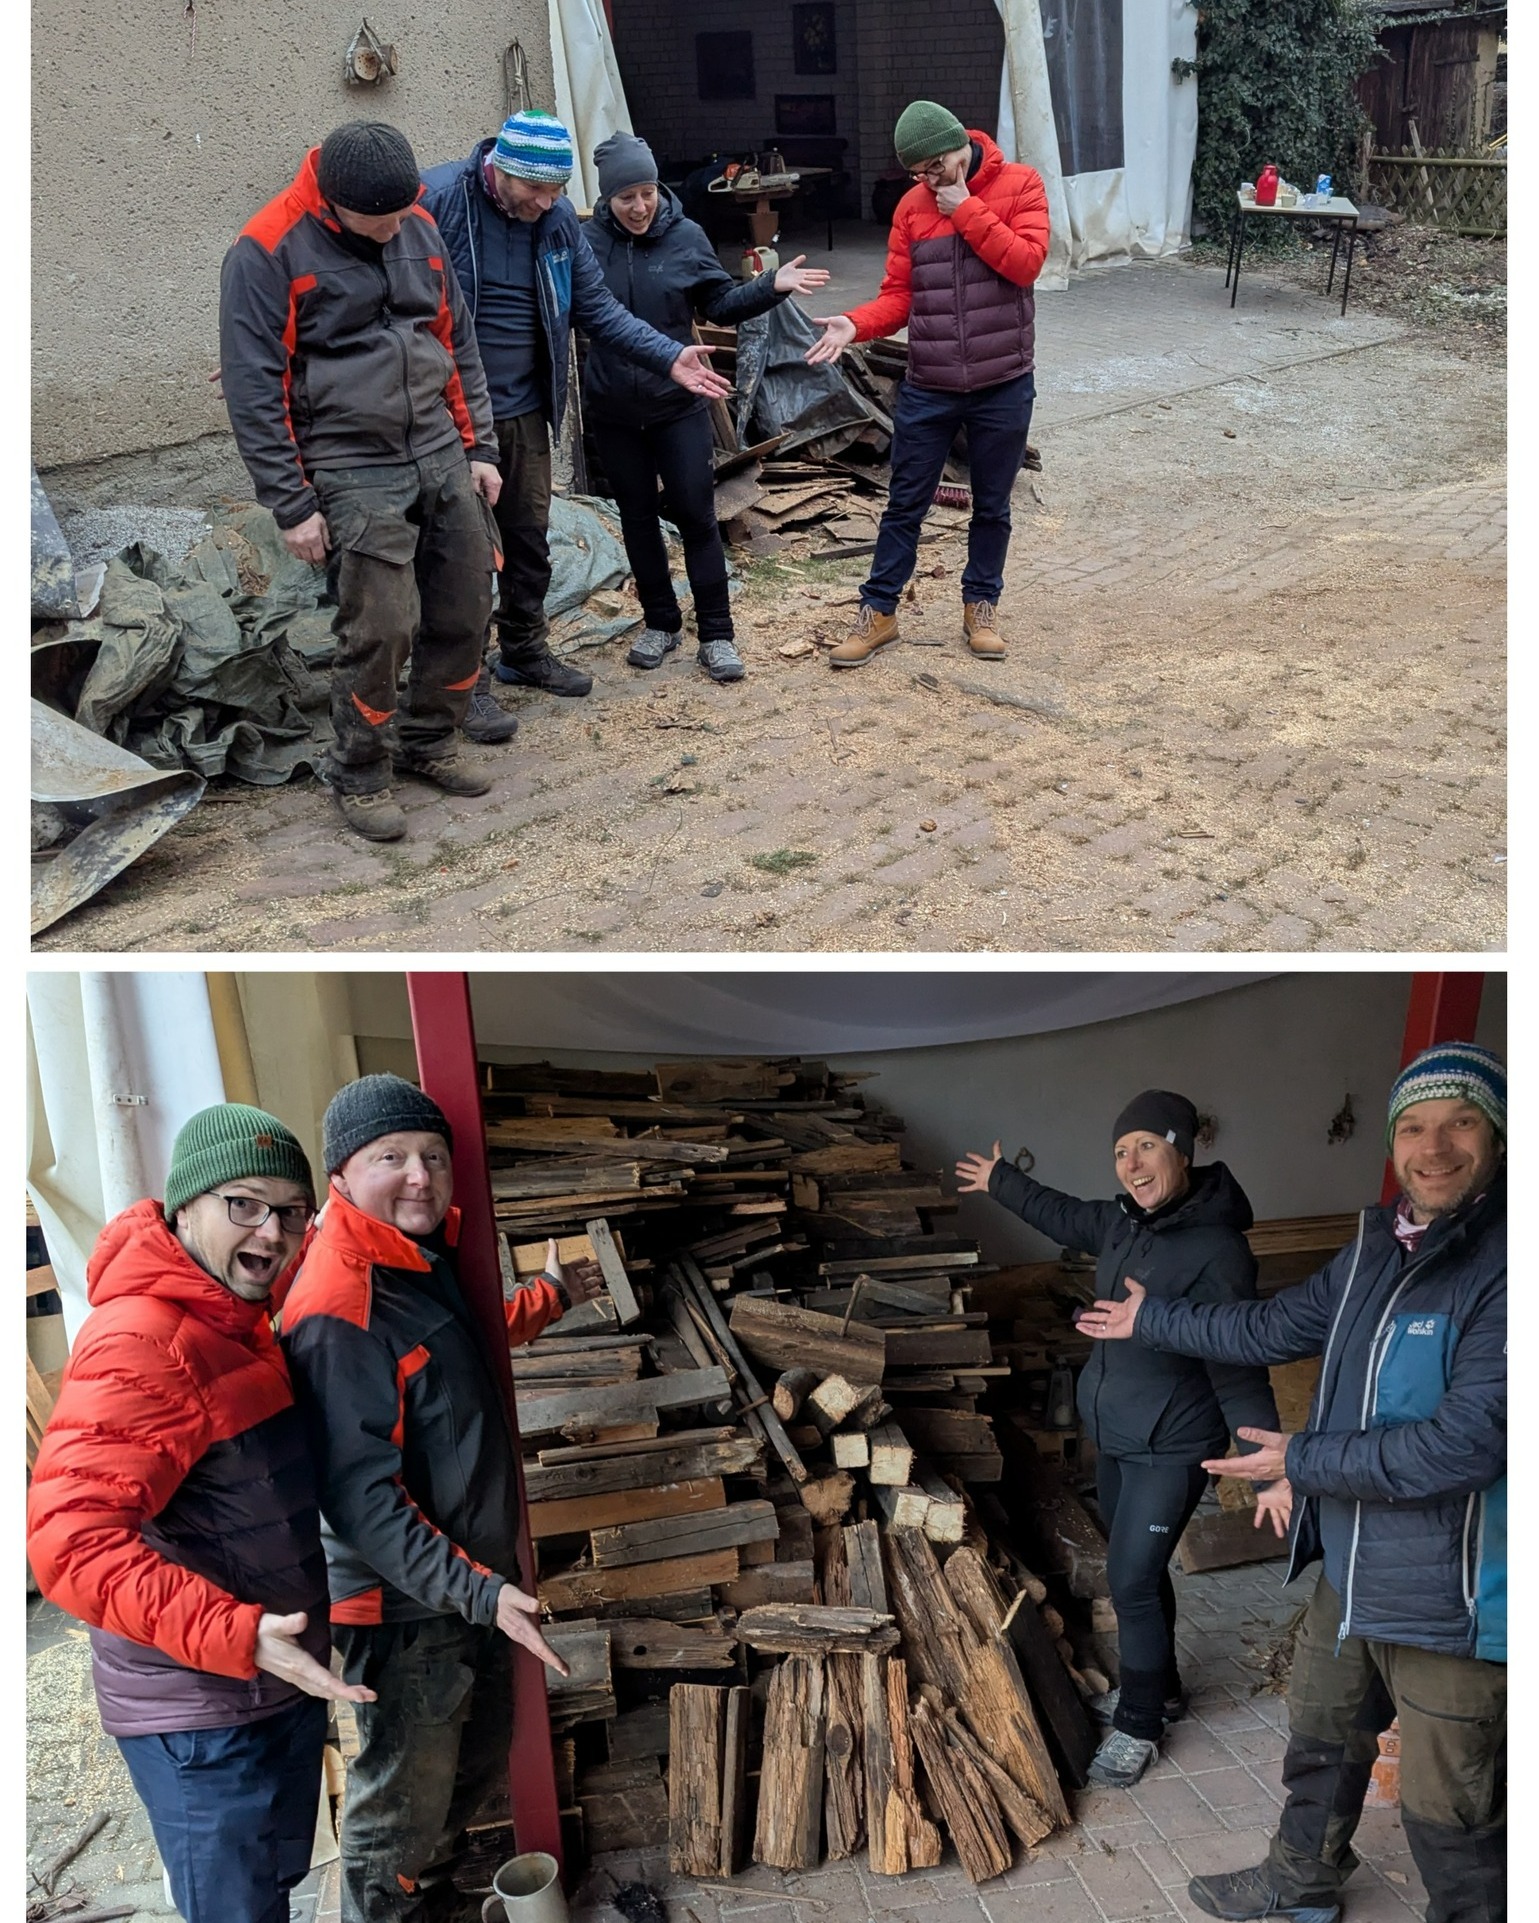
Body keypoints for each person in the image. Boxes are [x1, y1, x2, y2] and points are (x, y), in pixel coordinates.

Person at [1077, 1043, 1506, 1923]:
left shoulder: (1510, 1263)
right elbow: (1273, 1324)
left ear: (1497, 1134)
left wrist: (1296, 1461)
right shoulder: (1372, 1248)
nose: (1434, 1147)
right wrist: (1152, 1315)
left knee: (1447, 1806)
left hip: (1455, 1590)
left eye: (1460, 1122)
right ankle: (1297, 1884)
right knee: (1321, 1735)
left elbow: (1465, 1445)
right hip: (1353, 1561)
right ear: (1391, 1143)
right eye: (1414, 1127)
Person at [26, 1105, 374, 1923]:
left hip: (266, 1685)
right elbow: (69, 1546)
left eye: (290, 1211)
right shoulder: (143, 1339)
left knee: (269, 1891)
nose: (272, 1229)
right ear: (184, 1207)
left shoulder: (238, 1321)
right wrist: (238, 1633)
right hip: (201, 1715)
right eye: (244, 1204)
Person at [280, 1074, 605, 1923]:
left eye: (432, 1155)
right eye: (391, 1156)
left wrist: (553, 1298)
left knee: (457, 1792)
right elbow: (360, 1501)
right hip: (405, 1611)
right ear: (341, 1177)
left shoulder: (411, 1260)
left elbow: (454, 1359)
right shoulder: (336, 1302)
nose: (419, 1174)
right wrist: (480, 1591)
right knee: (397, 1829)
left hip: (461, 1593)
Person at [956, 1090, 1281, 1788]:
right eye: (1120, 1150)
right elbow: (1063, 1212)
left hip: (1174, 1441)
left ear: (1181, 1150)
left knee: (1129, 1576)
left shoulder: (1218, 1248)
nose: (1131, 1162)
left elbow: (1238, 1359)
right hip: (1118, 1435)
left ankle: (1139, 1720)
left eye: (1146, 1146)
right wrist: (1001, 1180)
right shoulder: (1121, 1222)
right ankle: (1158, 1688)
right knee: (1139, 1571)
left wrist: (1265, 1466)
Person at [220, 122, 504, 844]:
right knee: (381, 627)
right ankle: (360, 770)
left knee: (465, 603)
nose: (391, 233)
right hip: (349, 460)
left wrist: (480, 447)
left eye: (399, 216)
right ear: (331, 203)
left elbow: (453, 336)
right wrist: (292, 503)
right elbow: (255, 387)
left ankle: (430, 741)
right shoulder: (266, 249)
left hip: (438, 446)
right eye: (375, 223)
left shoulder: (416, 224)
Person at [422, 111, 733, 729]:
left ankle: (524, 651)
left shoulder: (557, 220)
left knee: (529, 541)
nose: (546, 203)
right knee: (464, 554)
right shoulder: (439, 199)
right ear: (501, 171)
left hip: (527, 408)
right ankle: (464, 682)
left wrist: (670, 355)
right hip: (451, 412)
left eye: (557, 191)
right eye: (535, 190)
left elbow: (596, 309)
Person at [805, 101, 1049, 667]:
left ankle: (980, 605)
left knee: (992, 506)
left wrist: (966, 209)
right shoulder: (912, 210)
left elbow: (1026, 264)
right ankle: (879, 613)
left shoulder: (1020, 184)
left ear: (959, 144)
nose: (926, 181)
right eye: (917, 173)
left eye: (934, 167)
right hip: (930, 384)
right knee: (904, 504)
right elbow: (900, 295)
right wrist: (856, 323)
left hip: (1003, 380)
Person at [582, 132, 830, 683]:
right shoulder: (586, 243)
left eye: (646, 192)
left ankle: (717, 635)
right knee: (638, 519)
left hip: (678, 405)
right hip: (615, 409)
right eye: (626, 197)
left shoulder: (686, 236)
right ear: (607, 199)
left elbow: (719, 303)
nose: (640, 206)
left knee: (696, 515)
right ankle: (661, 623)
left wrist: (770, 285)